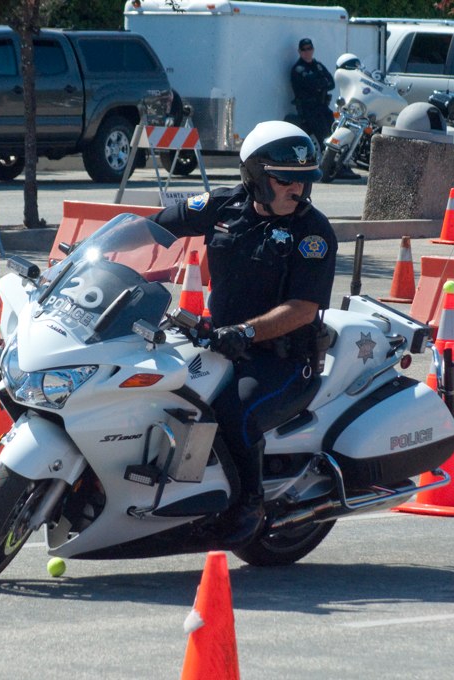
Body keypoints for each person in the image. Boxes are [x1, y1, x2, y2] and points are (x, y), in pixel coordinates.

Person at [151, 121, 337, 545]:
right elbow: (155, 228)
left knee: (236, 411)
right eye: (286, 179)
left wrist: (246, 332)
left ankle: (248, 505)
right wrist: (95, 257)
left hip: (282, 358)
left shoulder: (313, 233)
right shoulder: (223, 206)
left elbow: (304, 309)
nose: (299, 190)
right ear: (254, 175)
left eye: (305, 180)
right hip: (220, 343)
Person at [290, 38, 335, 147]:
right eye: (304, 49)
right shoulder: (299, 69)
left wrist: (319, 84)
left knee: (334, 132)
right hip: (309, 110)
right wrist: (321, 83)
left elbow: (331, 83)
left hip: (323, 107)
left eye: (309, 48)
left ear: (313, 49)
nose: (307, 52)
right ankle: (326, 162)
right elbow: (311, 86)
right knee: (324, 137)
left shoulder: (318, 66)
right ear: (299, 52)